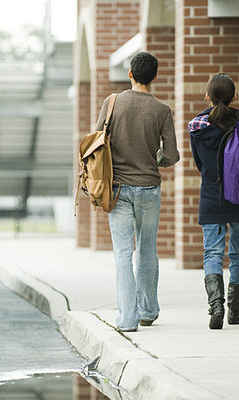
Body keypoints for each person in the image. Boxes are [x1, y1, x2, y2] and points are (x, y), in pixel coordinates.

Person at [94, 52, 180, 332]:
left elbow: (96, 144)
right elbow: (172, 156)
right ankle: (148, 310)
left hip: (117, 189)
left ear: (130, 74)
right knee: (147, 249)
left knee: (122, 253)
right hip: (149, 189)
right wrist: (155, 160)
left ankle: (127, 319)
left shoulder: (112, 103)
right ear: (155, 77)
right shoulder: (162, 110)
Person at [188, 73, 239, 330]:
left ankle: (216, 307)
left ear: (207, 96)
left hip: (212, 195)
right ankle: (235, 312)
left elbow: (199, 164)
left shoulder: (198, 128)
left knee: (212, 252)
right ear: (234, 97)